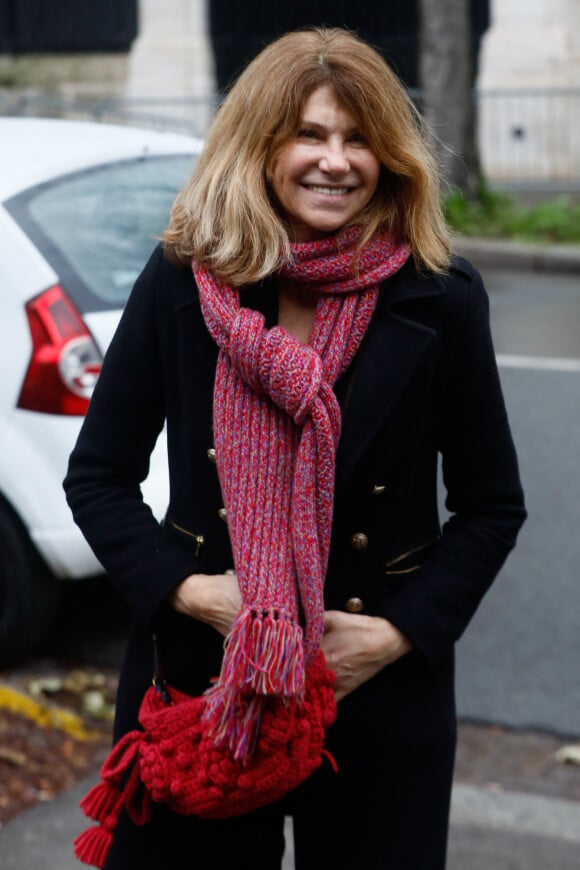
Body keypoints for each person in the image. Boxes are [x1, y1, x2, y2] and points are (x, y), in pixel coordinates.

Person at [64, 26, 526, 870]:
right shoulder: (183, 282)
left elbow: (493, 507)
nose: (336, 161)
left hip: (375, 700)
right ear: (261, 145)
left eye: (360, 139)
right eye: (310, 134)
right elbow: (98, 478)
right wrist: (199, 594)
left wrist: (393, 636)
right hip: (205, 687)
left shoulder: (439, 296)